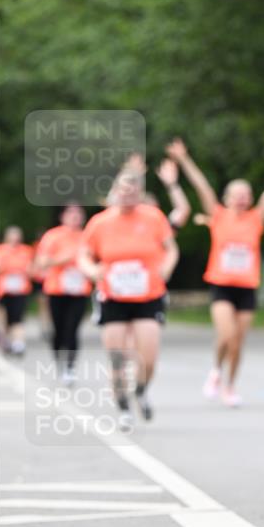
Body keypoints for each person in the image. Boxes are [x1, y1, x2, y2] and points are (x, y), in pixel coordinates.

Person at [165, 138, 264, 405]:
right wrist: (183, 159)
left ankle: (229, 386)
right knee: (227, 335)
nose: (242, 199)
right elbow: (202, 186)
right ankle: (216, 370)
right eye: (237, 195)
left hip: (246, 287)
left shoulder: (256, 219)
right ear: (227, 198)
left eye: (246, 195)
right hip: (222, 286)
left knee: (237, 342)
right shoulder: (218, 215)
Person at [77, 169, 179, 428]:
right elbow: (84, 255)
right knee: (117, 358)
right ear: (114, 193)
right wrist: (92, 270)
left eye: (132, 192)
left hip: (148, 296)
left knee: (148, 357)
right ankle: (123, 408)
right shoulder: (100, 222)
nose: (127, 196)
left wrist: (167, 266)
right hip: (113, 297)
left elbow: (171, 249)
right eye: (122, 191)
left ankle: (141, 390)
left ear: (140, 194)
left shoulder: (153, 217)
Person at [35, 203, 92, 382]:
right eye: (71, 212)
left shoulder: (88, 236)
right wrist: (64, 259)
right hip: (57, 290)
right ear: (63, 216)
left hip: (80, 290)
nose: (75, 216)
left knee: (72, 328)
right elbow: (42, 262)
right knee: (59, 329)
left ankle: (70, 367)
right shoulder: (52, 236)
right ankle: (59, 362)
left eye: (79, 212)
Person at [0, 226, 34, 356]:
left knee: (17, 317)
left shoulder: (26, 250)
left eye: (17, 236)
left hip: (20, 290)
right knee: (3, 317)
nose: (15, 239)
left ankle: (18, 343)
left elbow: (31, 269)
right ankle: (4, 339)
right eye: (12, 236)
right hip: (2, 290)